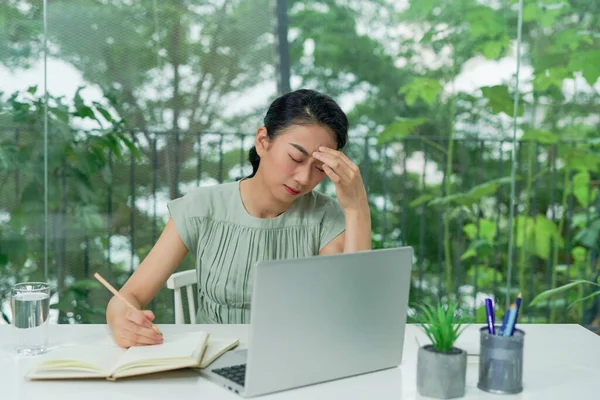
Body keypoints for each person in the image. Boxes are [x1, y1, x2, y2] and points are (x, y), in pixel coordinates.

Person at [105, 89, 371, 348]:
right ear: (263, 141)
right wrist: (122, 319)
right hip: (211, 359)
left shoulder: (326, 217)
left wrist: (356, 207)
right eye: (295, 158)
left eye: (318, 168)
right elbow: (129, 296)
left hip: (294, 357)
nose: (304, 178)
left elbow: (352, 313)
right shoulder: (202, 207)